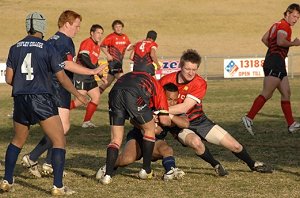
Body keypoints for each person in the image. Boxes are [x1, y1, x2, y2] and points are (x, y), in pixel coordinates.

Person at [0, 11, 87, 195]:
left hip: (20, 99)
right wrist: (78, 95)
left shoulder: (15, 47)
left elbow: (9, 78)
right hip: (41, 99)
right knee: (59, 140)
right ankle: (58, 186)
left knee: (17, 140)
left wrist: (24, 84)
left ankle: (7, 180)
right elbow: (62, 78)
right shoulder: (48, 48)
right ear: (42, 26)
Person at [160, 49, 273, 175]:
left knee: (235, 146)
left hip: (199, 120)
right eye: (187, 69)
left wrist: (162, 111)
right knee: (195, 142)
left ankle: (252, 164)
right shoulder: (165, 81)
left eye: (194, 69)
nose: (191, 73)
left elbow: (185, 107)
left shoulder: (199, 83)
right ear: (181, 66)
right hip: (178, 124)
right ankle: (216, 164)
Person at [20, 10, 105, 178]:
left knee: (56, 128)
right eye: (76, 26)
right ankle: (32, 157)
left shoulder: (52, 39)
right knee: (62, 128)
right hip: (58, 87)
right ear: (67, 24)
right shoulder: (65, 41)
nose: (78, 29)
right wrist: (92, 71)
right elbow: (66, 64)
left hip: (47, 87)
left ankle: (48, 164)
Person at [96, 83, 187, 182]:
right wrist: (147, 128)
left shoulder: (175, 109)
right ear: (162, 96)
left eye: (175, 100)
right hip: (137, 137)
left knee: (167, 150)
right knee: (126, 159)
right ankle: (108, 166)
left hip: (156, 141)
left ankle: (170, 171)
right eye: (169, 99)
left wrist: (168, 114)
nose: (173, 103)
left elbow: (185, 123)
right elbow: (132, 120)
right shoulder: (150, 104)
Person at [242, 3, 300, 135]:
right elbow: (280, 41)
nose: (296, 19)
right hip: (274, 62)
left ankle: (291, 124)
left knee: (286, 93)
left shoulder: (276, 24)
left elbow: (264, 39)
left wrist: (273, 49)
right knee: (267, 93)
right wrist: (294, 43)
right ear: (287, 14)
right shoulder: (285, 26)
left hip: (276, 61)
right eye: (294, 16)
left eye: (298, 17)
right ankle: (248, 118)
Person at [70, 24, 104, 128]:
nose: (100, 35)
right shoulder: (86, 42)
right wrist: (94, 70)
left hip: (89, 75)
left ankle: (86, 122)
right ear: (91, 33)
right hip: (81, 75)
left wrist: (101, 76)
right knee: (79, 101)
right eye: (98, 33)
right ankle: (57, 110)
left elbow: (95, 62)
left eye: (101, 33)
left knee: (96, 97)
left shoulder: (97, 47)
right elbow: (84, 57)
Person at [99, 19, 133, 93]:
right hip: (113, 63)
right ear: (113, 28)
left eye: (119, 26)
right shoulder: (111, 37)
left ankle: (94, 95)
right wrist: (108, 55)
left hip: (119, 63)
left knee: (106, 84)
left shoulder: (125, 37)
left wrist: (135, 46)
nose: (118, 28)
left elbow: (129, 48)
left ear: (122, 27)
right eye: (116, 27)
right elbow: (102, 46)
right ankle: (127, 99)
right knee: (124, 80)